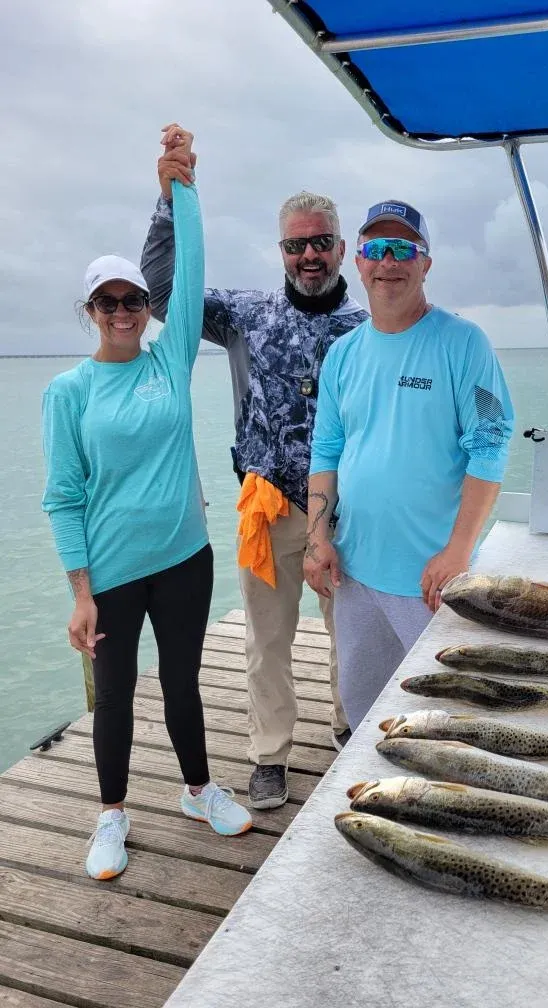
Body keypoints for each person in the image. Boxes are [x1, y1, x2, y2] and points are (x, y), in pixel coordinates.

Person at [41, 126, 252, 881]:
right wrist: (80, 593)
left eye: (133, 298)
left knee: (184, 682)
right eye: (109, 302)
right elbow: (63, 499)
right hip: (113, 572)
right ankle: (111, 816)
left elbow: (190, 274)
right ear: (90, 310)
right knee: (118, 698)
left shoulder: (170, 357)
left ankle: (198, 789)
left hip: (186, 559)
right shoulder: (67, 393)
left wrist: (180, 187)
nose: (124, 311)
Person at [141, 130, 368, 811]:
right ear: (282, 251)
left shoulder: (368, 327)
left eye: (320, 241)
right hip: (265, 508)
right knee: (267, 642)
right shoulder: (245, 314)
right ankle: (270, 755)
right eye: (296, 244)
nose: (308, 255)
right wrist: (168, 204)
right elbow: (159, 294)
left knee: (350, 632)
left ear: (339, 247)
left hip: (349, 511)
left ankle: (348, 721)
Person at [304, 200, 515, 729]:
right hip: (354, 574)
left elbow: (489, 443)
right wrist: (317, 540)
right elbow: (326, 450)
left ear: (425, 263)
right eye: (376, 249)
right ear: (357, 261)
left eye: (403, 249)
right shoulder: (343, 354)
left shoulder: (463, 342)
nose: (388, 263)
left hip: (430, 580)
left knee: (443, 723)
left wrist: (459, 550)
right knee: (363, 714)